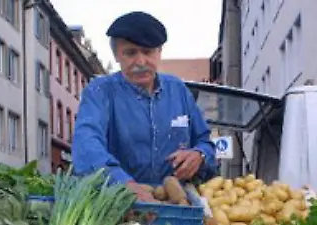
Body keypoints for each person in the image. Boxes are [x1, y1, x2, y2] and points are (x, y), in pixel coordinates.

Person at [71, 11, 219, 202]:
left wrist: (199, 155)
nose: (141, 62)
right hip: (116, 206)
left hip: (176, 204)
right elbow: (86, 145)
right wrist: (122, 184)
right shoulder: (100, 91)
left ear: (159, 52)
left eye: (148, 52)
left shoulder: (179, 90)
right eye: (131, 53)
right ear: (117, 55)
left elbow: (205, 142)